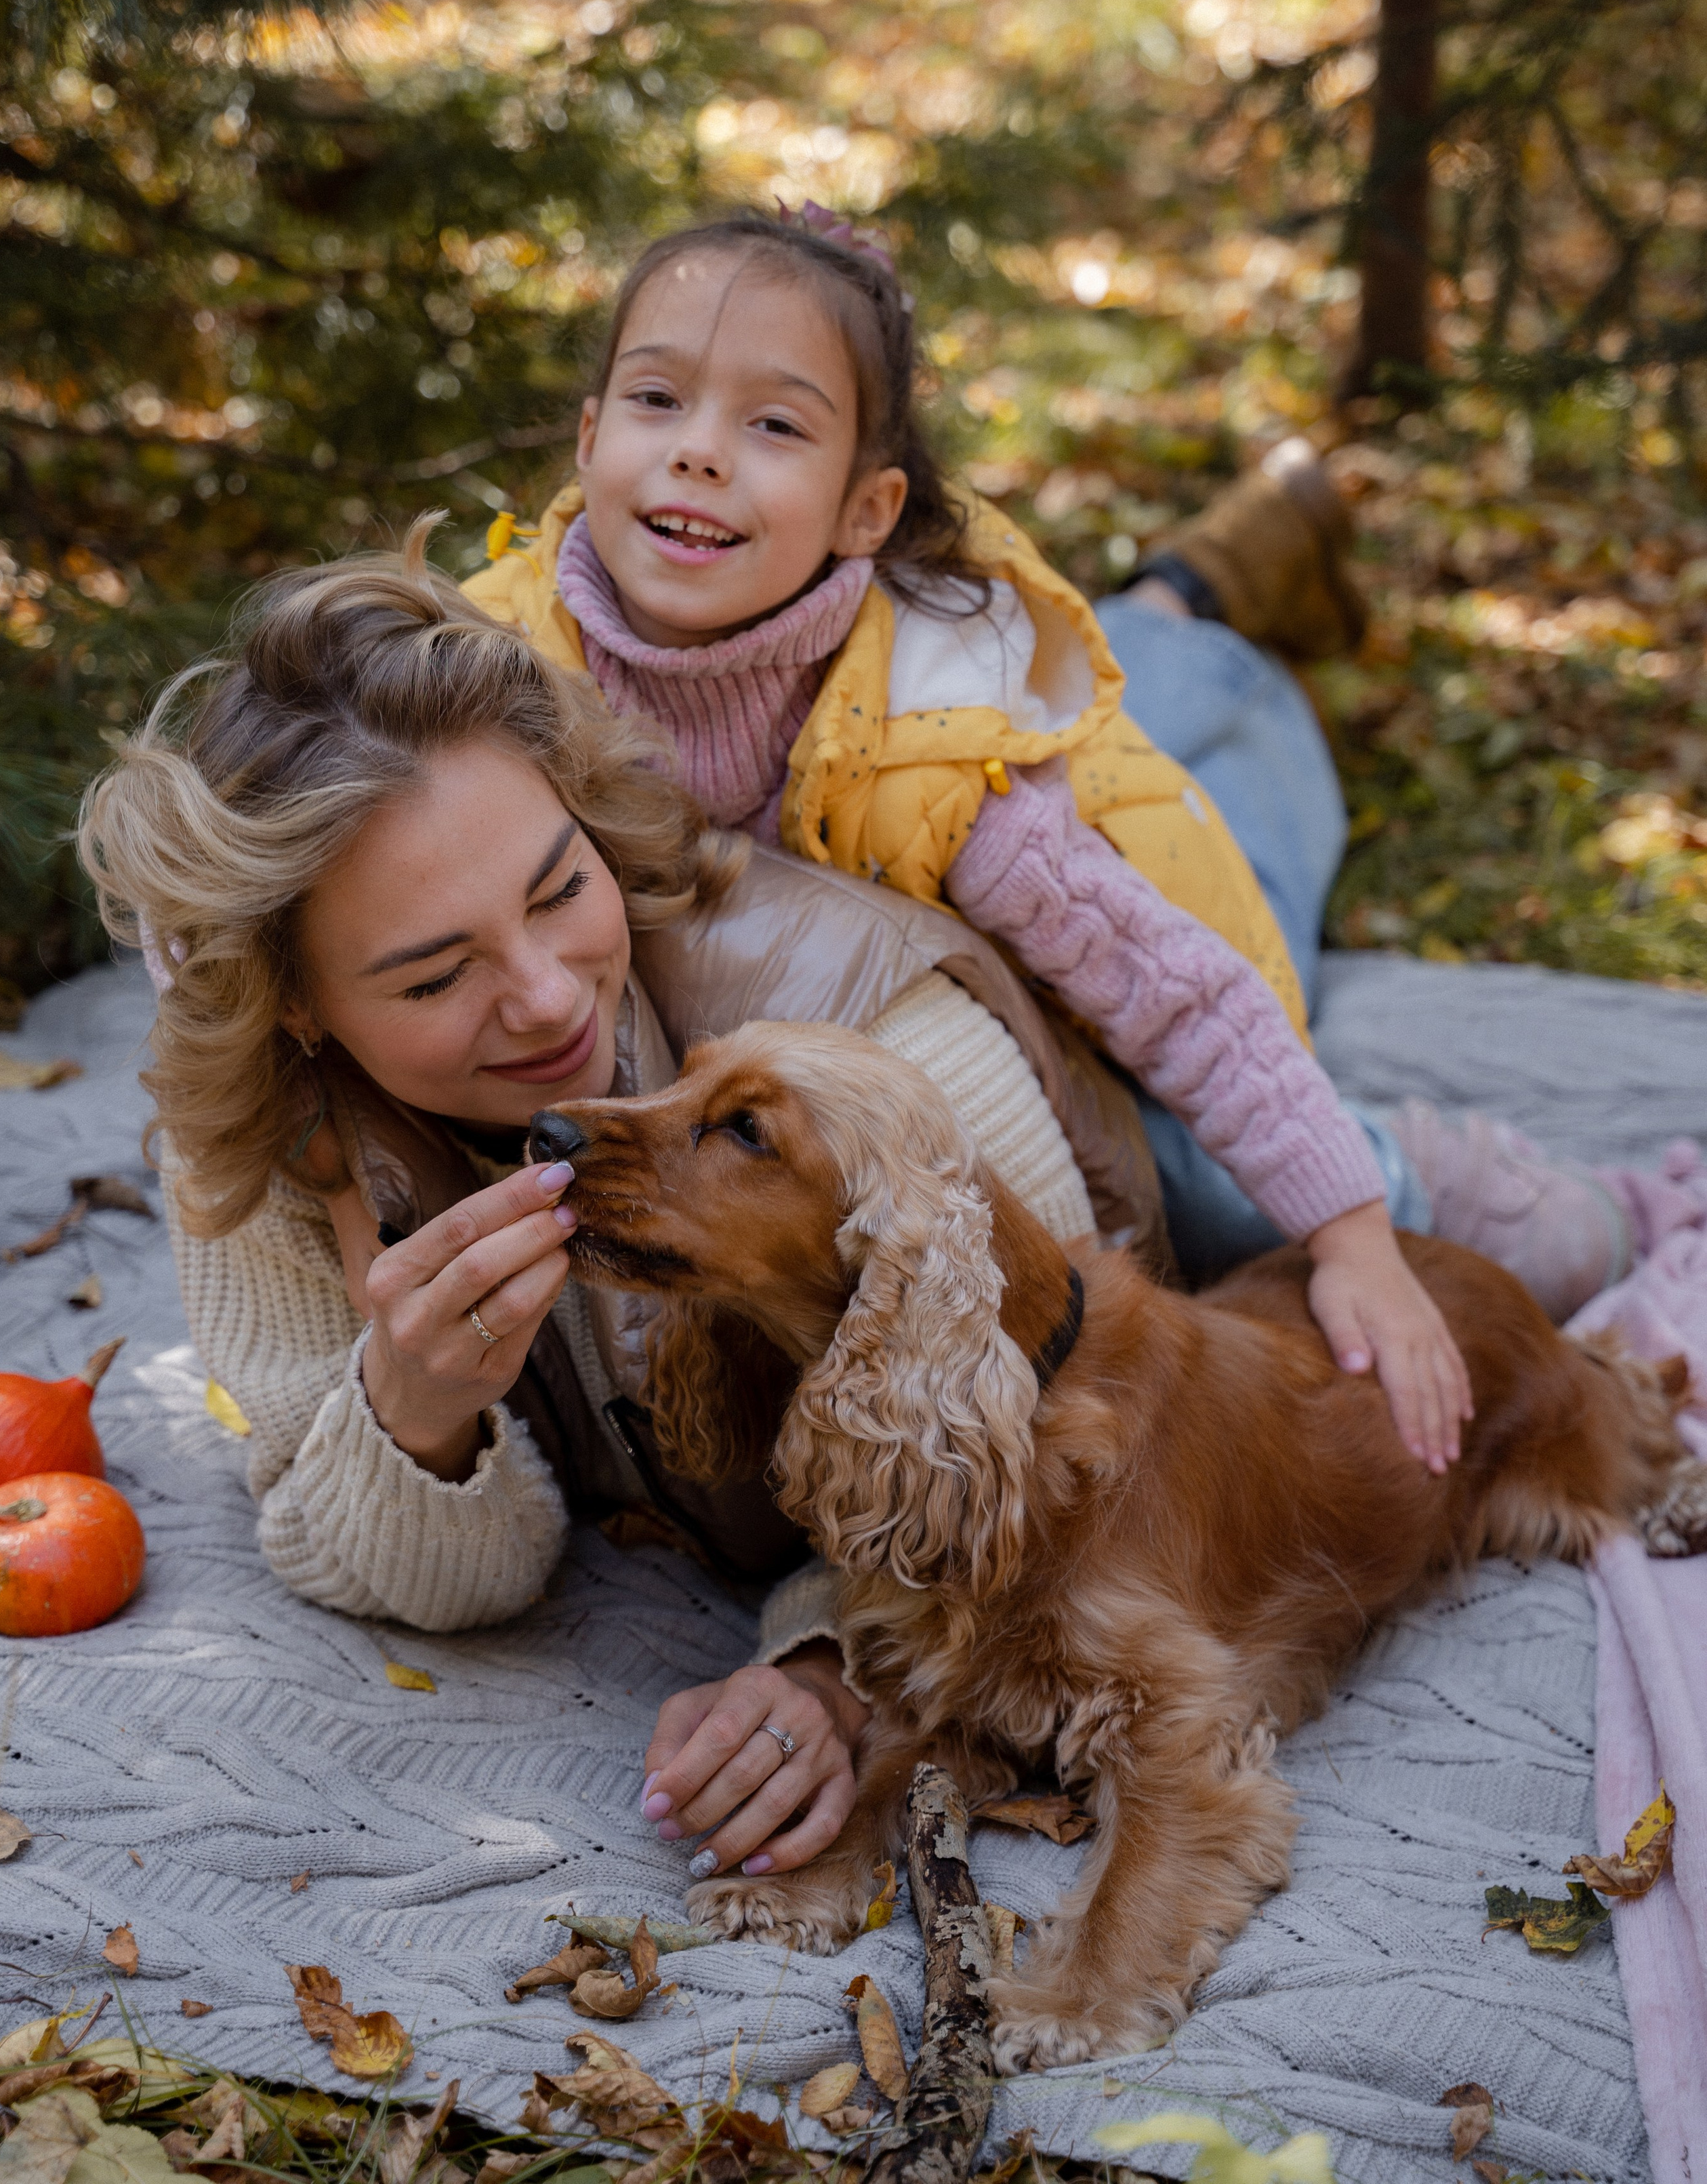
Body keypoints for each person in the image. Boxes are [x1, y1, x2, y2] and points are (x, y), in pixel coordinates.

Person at [465, 207, 1633, 1478]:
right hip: (811, 1008)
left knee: (1213, 1173)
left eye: (775, 424)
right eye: (657, 400)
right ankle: (1190, 580)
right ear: (586, 442)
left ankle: (1209, 638)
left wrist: (1355, 1234)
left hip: (1040, 966)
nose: (698, 454)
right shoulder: (497, 676)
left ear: (867, 509)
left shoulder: (948, 742)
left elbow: (1176, 992)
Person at [79, 533, 1154, 1886]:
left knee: (1197, 748)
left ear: (585, 809)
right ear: (294, 1006)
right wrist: (415, 1414)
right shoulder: (269, 1147)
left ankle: (1183, 601)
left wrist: (834, 1660)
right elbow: (362, 1549)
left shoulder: (872, 1038)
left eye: (559, 889)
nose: (542, 998)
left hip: (1105, 938)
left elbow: (1058, 1451)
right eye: (428, 979)